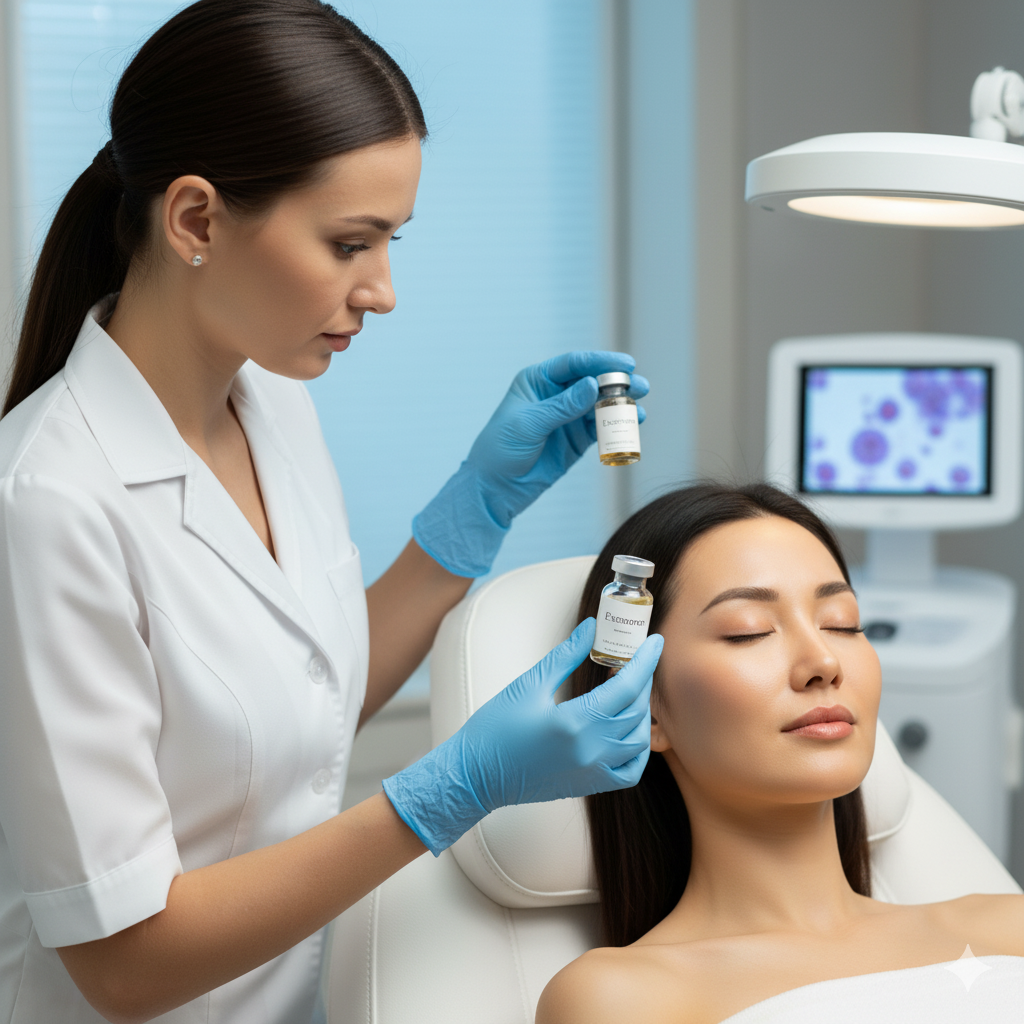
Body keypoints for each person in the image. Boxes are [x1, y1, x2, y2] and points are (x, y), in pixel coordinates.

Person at [0, 2, 663, 1021]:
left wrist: (475, 512)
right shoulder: (46, 504)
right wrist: (451, 790)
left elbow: (304, 703)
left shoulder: (273, 402)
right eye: (350, 242)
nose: (383, 290)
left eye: (390, 240)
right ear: (195, 221)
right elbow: (124, 963)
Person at [537, 483, 1024, 1024]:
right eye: (749, 632)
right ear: (646, 707)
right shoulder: (622, 997)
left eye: (842, 623)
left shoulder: (1009, 929)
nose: (823, 660)